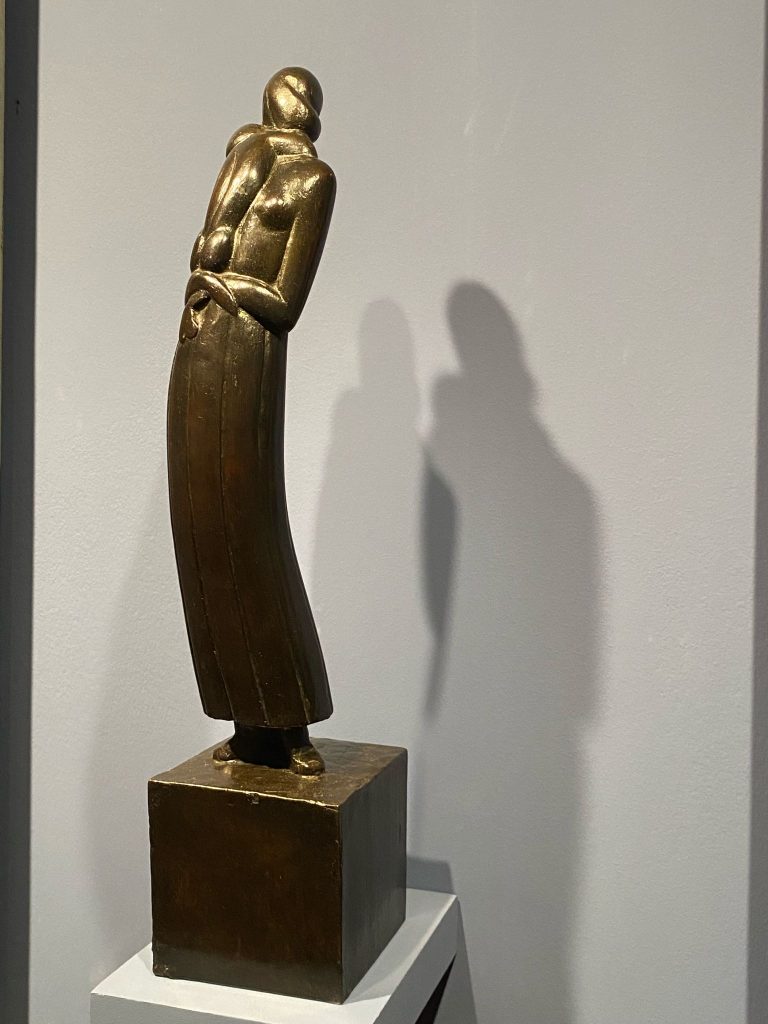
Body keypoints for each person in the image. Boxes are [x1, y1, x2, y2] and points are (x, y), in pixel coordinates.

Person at [167, 67, 336, 774]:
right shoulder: (245, 154)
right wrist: (205, 283)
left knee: (249, 524)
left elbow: (286, 300)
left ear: (308, 108)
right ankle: (246, 718)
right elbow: (210, 240)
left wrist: (221, 283)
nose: (281, 97)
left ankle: (289, 717)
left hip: (249, 347)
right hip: (200, 339)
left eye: (294, 92)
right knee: (202, 531)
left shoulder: (313, 180)